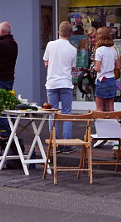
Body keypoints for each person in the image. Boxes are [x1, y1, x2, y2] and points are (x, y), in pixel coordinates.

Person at [43, 21, 77, 154]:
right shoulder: (73, 49)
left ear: (59, 32)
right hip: (66, 83)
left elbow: (46, 61)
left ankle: (54, 142)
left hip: (52, 83)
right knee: (67, 113)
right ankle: (66, 143)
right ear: (71, 34)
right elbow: (72, 67)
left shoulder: (50, 45)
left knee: (52, 113)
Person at [94, 27, 120, 113]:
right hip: (111, 79)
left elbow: (97, 68)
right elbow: (118, 66)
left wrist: (93, 67)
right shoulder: (113, 50)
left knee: (99, 109)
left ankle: (101, 126)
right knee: (110, 108)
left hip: (102, 79)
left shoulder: (99, 50)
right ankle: (112, 125)